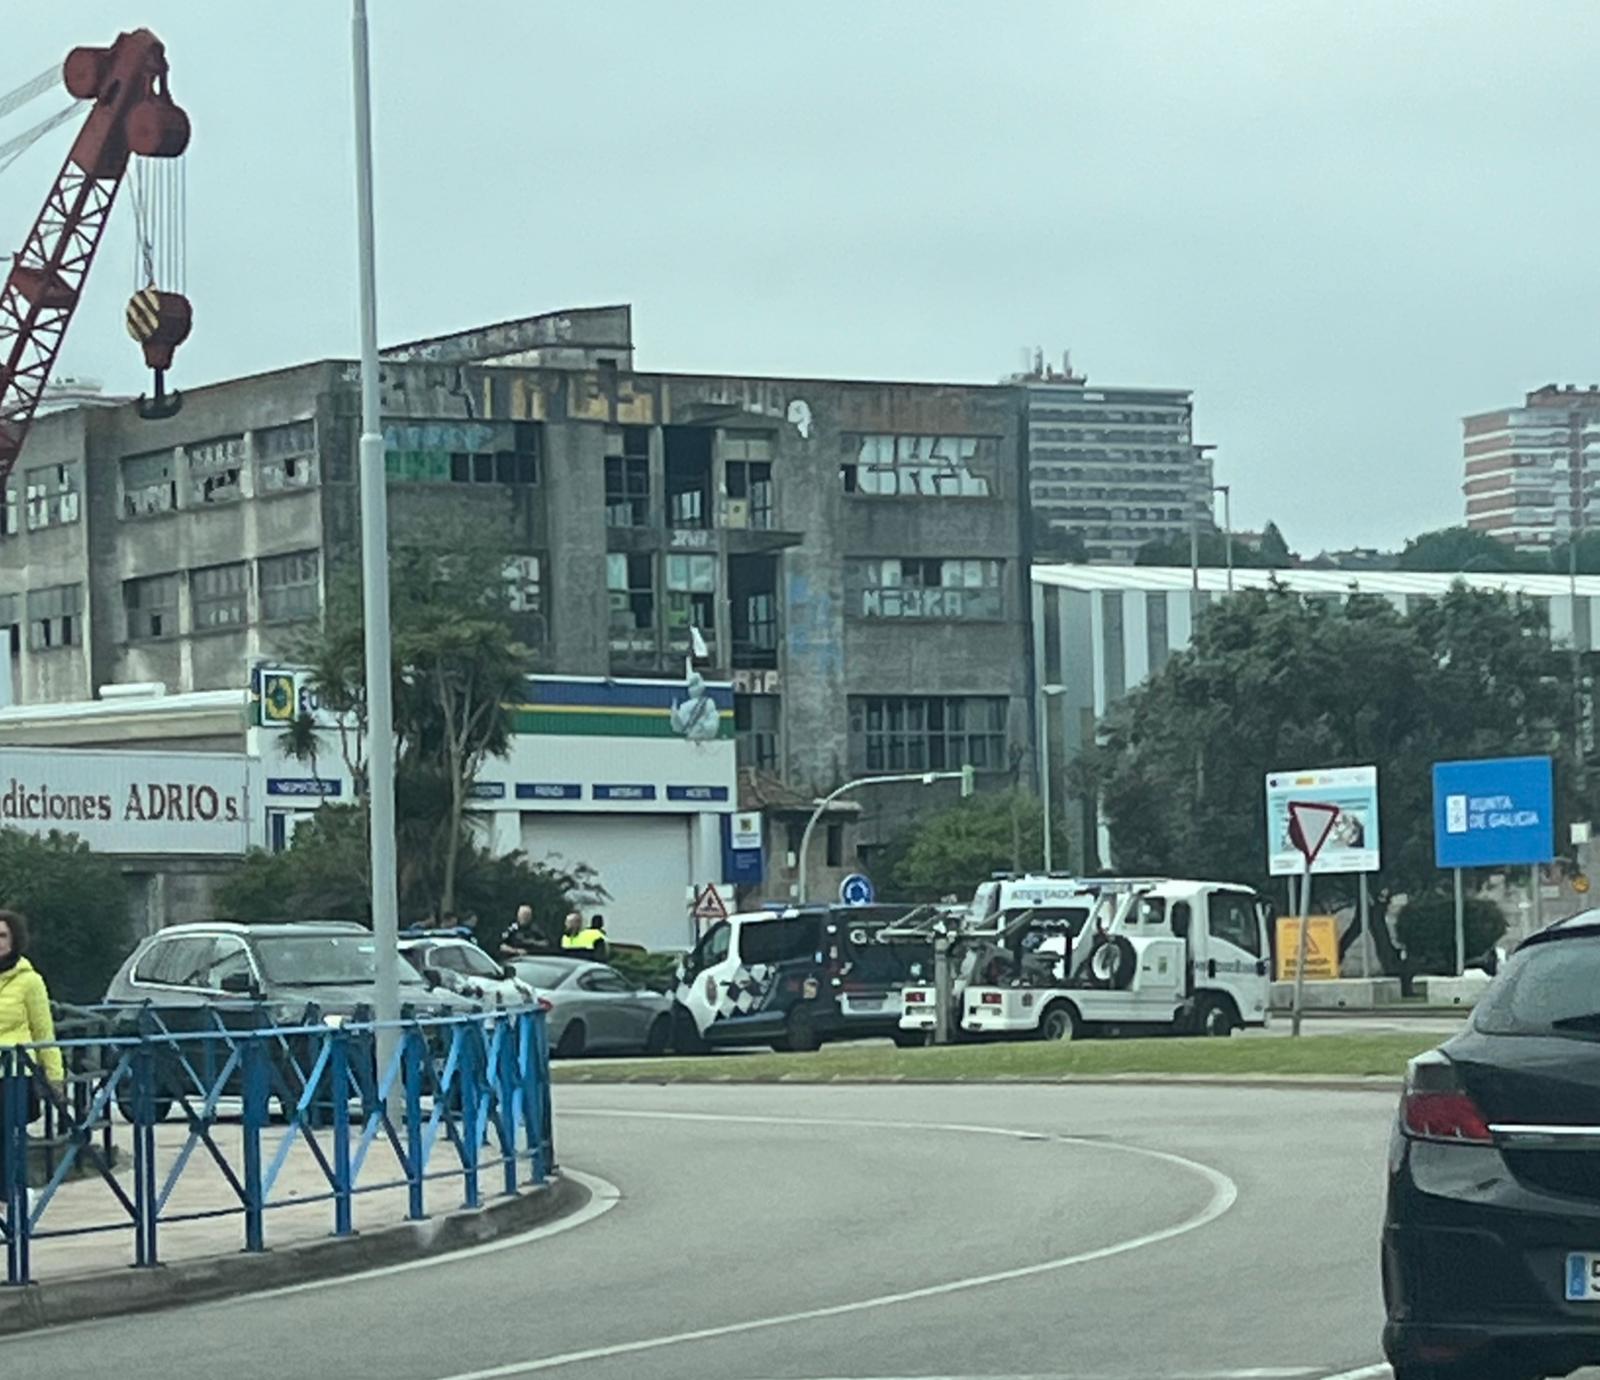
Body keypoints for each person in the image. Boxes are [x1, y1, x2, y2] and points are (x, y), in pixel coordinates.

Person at [0, 909, 64, 1199]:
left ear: (15, 940)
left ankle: (8, 1203)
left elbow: (43, 1032)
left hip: (14, 1072)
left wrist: (54, 1076)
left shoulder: (30, 981)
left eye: (2, 936)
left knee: (4, 1139)